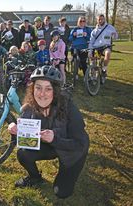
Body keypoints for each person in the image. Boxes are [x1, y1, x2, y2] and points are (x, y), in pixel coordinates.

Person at [8, 65, 89, 198]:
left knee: (61, 192)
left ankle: (66, 171)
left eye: (48, 89)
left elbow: (80, 144)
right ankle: (35, 177)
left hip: (72, 151)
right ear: (32, 89)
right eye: (38, 87)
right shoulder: (28, 108)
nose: (42, 94)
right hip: (49, 146)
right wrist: (15, 129)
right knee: (23, 154)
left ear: (55, 91)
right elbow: (21, 136)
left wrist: (54, 139)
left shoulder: (69, 108)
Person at [89, 14, 118, 80]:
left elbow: (116, 37)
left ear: (104, 19)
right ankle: (92, 75)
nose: (100, 20)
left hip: (106, 46)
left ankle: (104, 69)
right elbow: (91, 42)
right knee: (92, 60)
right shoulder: (94, 31)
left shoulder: (110, 27)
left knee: (108, 53)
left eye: (101, 19)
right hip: (96, 47)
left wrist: (114, 35)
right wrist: (90, 51)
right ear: (97, 20)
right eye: (99, 19)